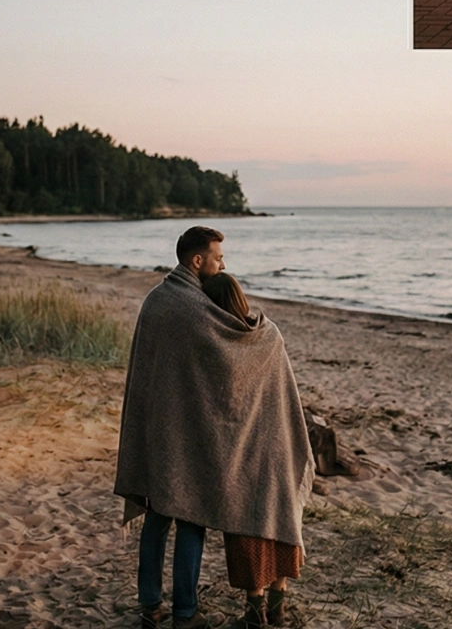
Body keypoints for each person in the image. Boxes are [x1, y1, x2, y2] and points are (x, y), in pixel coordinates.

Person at [116, 227, 316, 629]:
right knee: (190, 518)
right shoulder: (194, 307)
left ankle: (150, 606)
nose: (223, 264)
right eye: (218, 257)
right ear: (197, 260)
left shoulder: (156, 299)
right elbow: (230, 355)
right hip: (184, 436)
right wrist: (263, 330)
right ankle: (185, 614)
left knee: (156, 519)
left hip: (156, 428)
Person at [203, 273, 309, 627]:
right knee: (280, 521)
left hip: (241, 448)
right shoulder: (270, 333)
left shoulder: (217, 341)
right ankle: (277, 609)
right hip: (277, 443)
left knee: (246, 528)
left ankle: (255, 611)